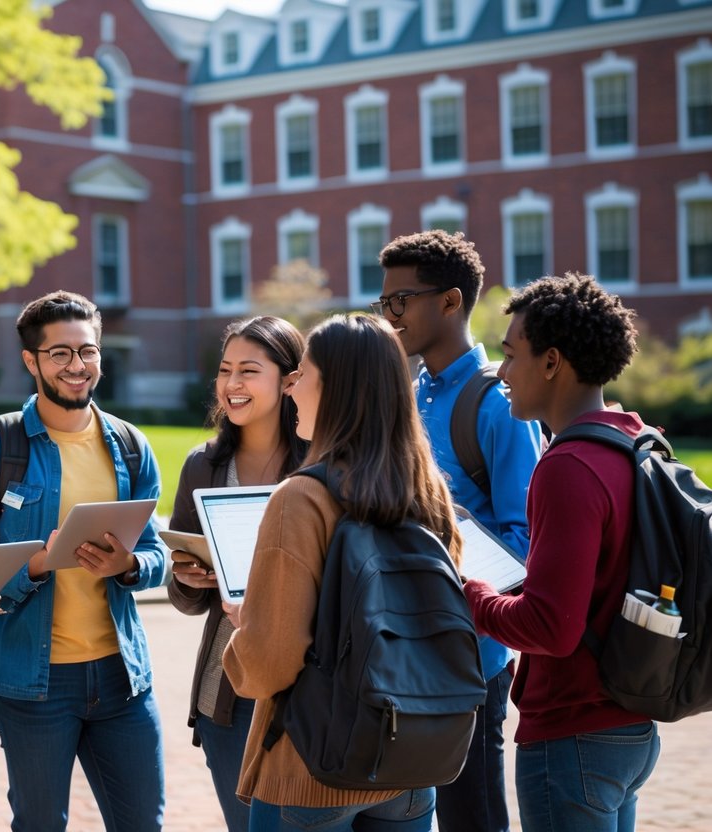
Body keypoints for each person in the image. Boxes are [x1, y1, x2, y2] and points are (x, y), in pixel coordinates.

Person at [0, 291, 167, 832]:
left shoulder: (130, 447)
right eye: (60, 353)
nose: (77, 366)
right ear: (31, 361)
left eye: (87, 351)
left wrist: (127, 567)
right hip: (33, 683)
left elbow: (157, 557)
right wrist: (35, 565)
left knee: (144, 825)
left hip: (122, 678)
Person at [223, 313, 456, 831]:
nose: (290, 389)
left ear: (336, 388)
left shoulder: (302, 497)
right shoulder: (428, 491)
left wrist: (246, 627)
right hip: (410, 759)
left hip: (312, 765)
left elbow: (268, 661)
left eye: (300, 374)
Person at [464, 273, 660, 831]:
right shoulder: (630, 440)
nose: (501, 373)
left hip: (574, 733)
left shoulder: (568, 467)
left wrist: (471, 593)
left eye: (510, 355)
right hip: (630, 724)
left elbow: (551, 627)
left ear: (551, 362)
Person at [377, 229, 543, 832]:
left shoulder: (500, 403)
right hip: (401, 646)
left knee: (472, 817)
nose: (390, 315)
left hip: (471, 655)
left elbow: (527, 547)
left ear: (450, 301)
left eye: (400, 301)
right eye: (384, 303)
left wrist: (445, 549)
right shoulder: (407, 394)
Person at [167, 316, 308, 831]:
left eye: (249, 371)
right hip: (227, 693)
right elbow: (183, 595)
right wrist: (189, 576)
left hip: (309, 693)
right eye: (225, 371)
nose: (232, 385)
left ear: (290, 379)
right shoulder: (202, 465)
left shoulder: (323, 463)